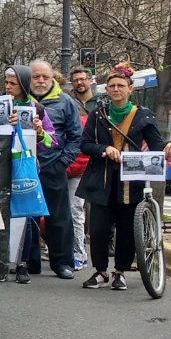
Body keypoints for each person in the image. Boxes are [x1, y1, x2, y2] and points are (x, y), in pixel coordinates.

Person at [77, 64, 171, 291]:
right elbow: (84, 144)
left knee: (126, 228)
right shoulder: (99, 113)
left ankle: (120, 272)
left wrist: (168, 147)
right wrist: (105, 149)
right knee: (99, 228)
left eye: (120, 86)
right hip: (102, 179)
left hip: (130, 180)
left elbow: (156, 145)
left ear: (130, 89)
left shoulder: (143, 115)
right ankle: (100, 271)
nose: (116, 89)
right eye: (112, 86)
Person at [0, 64, 57, 285]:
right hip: (1, 168)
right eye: (6, 83)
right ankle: (3, 262)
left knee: (28, 217)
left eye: (13, 83)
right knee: (4, 217)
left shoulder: (38, 109)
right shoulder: (0, 105)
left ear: (23, 84)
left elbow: (52, 142)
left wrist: (40, 131)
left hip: (26, 170)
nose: (8, 87)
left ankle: (23, 263)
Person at [30, 60, 83, 278]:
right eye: (36, 77)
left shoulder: (65, 102)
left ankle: (62, 263)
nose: (41, 81)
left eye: (45, 77)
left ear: (52, 78)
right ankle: (29, 262)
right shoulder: (19, 100)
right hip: (25, 167)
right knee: (27, 217)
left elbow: (76, 136)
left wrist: (63, 162)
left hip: (53, 166)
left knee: (59, 217)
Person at [66, 67, 94, 268]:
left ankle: (79, 253)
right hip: (66, 167)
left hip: (81, 167)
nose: (79, 83)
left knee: (76, 210)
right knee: (71, 210)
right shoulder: (69, 104)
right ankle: (70, 250)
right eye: (75, 80)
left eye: (82, 79)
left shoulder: (98, 105)